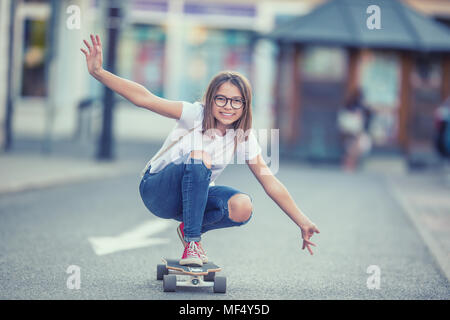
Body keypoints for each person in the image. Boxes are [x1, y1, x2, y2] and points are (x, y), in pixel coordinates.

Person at [81, 34, 320, 266]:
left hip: (192, 199)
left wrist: (302, 221)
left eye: (236, 101)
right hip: (157, 189)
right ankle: (192, 243)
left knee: (242, 206)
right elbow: (145, 98)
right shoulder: (194, 114)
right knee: (200, 157)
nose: (228, 106)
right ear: (210, 99)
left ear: (245, 105)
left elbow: (270, 183)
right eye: (221, 99)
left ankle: (189, 229)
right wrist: (98, 72)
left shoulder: (243, 136)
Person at [337, 89, 372, 172]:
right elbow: (343, 127)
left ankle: (351, 163)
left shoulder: (364, 111)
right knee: (353, 144)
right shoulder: (347, 110)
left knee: (359, 144)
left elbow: (365, 127)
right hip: (349, 135)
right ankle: (350, 163)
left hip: (359, 136)